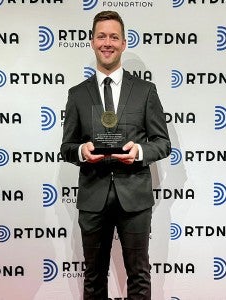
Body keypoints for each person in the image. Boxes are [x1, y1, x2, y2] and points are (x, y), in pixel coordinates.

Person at [61, 10, 171, 300]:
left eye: (113, 37)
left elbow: (162, 143)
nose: (106, 42)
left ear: (123, 43)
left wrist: (139, 152)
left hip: (134, 197)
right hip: (93, 197)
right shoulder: (77, 95)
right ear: (91, 41)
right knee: (94, 278)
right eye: (101, 36)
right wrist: (81, 152)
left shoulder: (146, 91)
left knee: (138, 276)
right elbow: (66, 147)